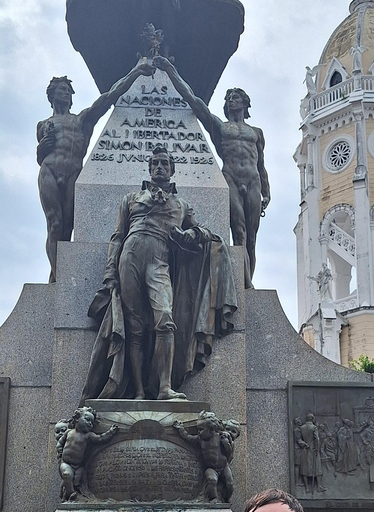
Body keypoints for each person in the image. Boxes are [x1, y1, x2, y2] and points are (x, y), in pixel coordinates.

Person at [80, 147, 237, 403]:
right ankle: (139, 392)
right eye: (155, 163)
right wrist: (110, 271)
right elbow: (117, 237)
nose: (159, 167)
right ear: (149, 168)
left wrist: (191, 234)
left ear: (172, 169)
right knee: (135, 327)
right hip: (130, 256)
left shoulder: (182, 205)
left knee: (165, 318)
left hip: (159, 260)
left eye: (164, 163)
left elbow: (204, 232)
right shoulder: (131, 198)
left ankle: (165, 387)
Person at [154, 56, 270, 289]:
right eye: (228, 99)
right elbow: (193, 100)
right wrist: (170, 70)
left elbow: (261, 164)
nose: (231, 101)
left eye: (236, 98)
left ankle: (249, 282)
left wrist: (267, 192)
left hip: (253, 180)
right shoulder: (220, 127)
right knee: (239, 232)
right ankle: (243, 282)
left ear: (245, 103)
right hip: (231, 178)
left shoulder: (256, 132)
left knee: (252, 240)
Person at [37, 59, 156, 283]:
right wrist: (40, 149)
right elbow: (40, 156)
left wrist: (135, 72)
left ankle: (60, 275)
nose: (65, 94)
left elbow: (108, 98)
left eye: (68, 91)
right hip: (49, 171)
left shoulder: (81, 119)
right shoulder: (43, 124)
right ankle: (56, 276)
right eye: (61, 90)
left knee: (68, 227)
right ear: (52, 95)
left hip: (73, 171)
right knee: (54, 224)